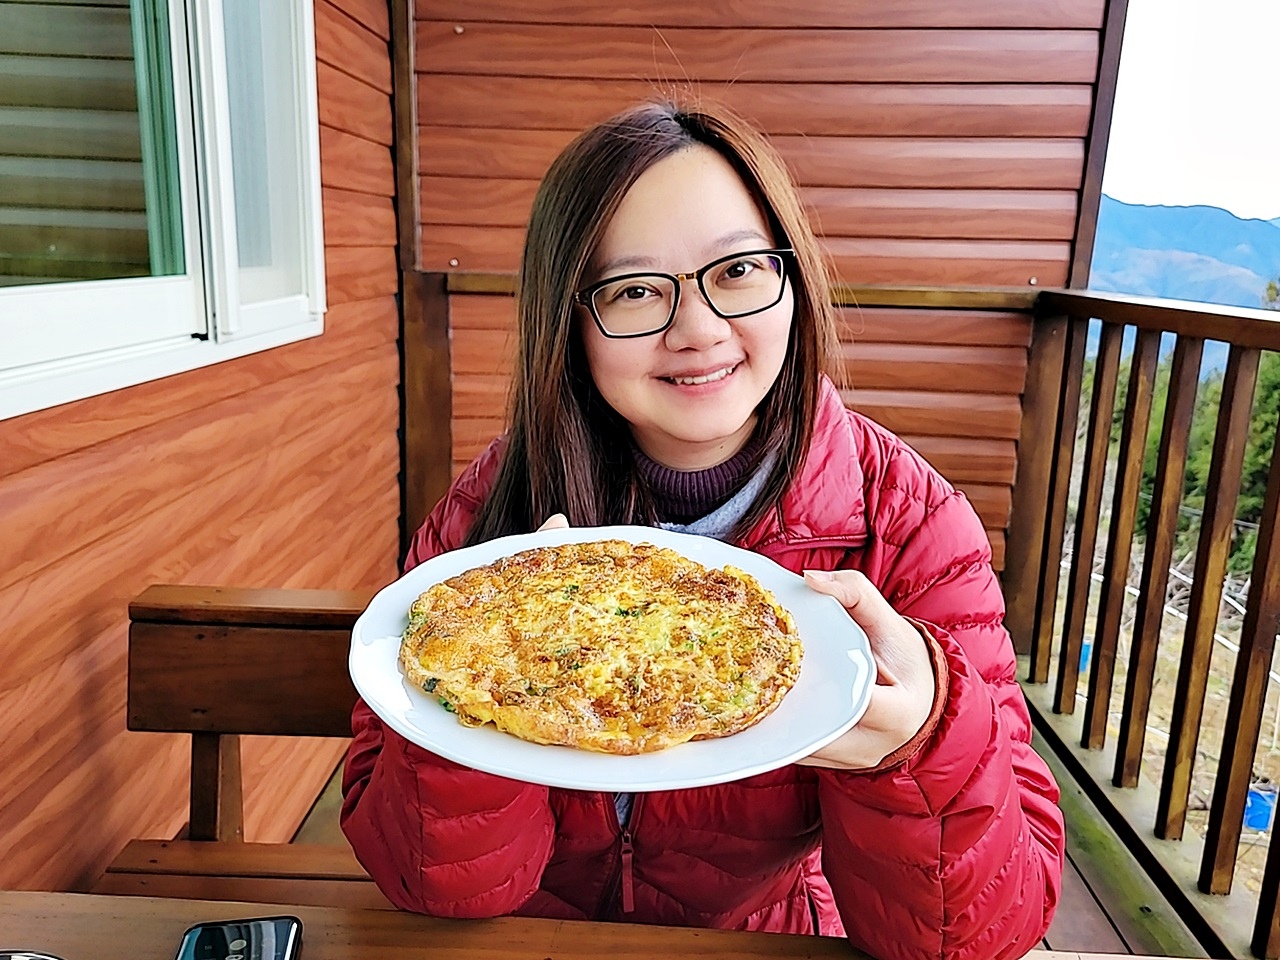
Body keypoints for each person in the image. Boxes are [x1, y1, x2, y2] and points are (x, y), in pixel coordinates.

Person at [341, 100, 1064, 960]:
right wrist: (481, 692)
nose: (699, 331)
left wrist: (923, 740)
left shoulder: (908, 522)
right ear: (568, 320)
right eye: (636, 290)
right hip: (525, 938)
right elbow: (434, 887)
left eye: (739, 272)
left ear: (792, 278)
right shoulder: (492, 527)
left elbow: (977, 937)